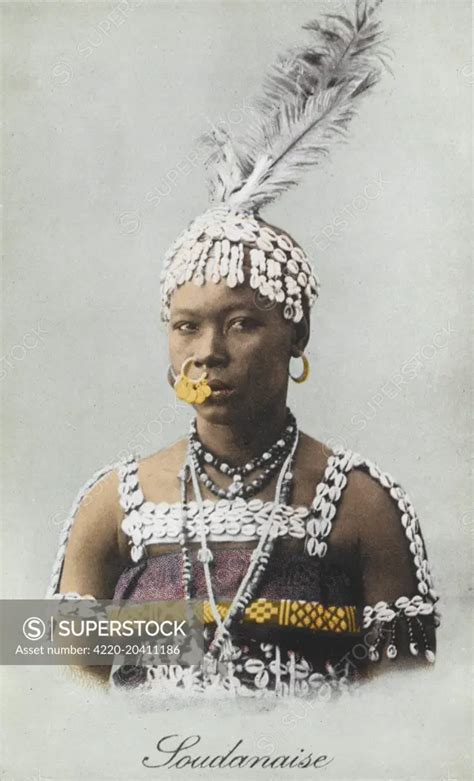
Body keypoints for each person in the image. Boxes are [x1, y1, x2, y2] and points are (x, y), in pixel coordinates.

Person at [47, 1, 439, 697]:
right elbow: (62, 709)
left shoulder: (361, 505)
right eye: (186, 326)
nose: (208, 353)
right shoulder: (111, 505)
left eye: (241, 323)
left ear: (298, 333)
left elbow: (405, 718)